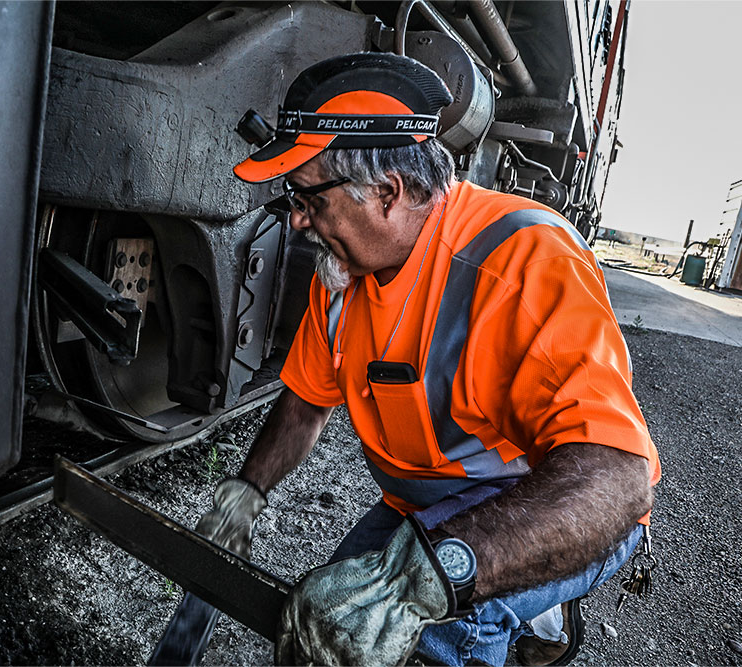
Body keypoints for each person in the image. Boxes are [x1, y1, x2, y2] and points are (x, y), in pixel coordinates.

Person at [196, 52, 661, 666]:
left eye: (309, 198)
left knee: (423, 642)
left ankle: (534, 601)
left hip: (544, 502)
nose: (299, 220)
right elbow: (307, 399)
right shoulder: (342, 275)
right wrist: (246, 491)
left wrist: (430, 578)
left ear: (387, 193)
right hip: (425, 507)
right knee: (320, 637)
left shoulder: (523, 261)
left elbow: (617, 481)